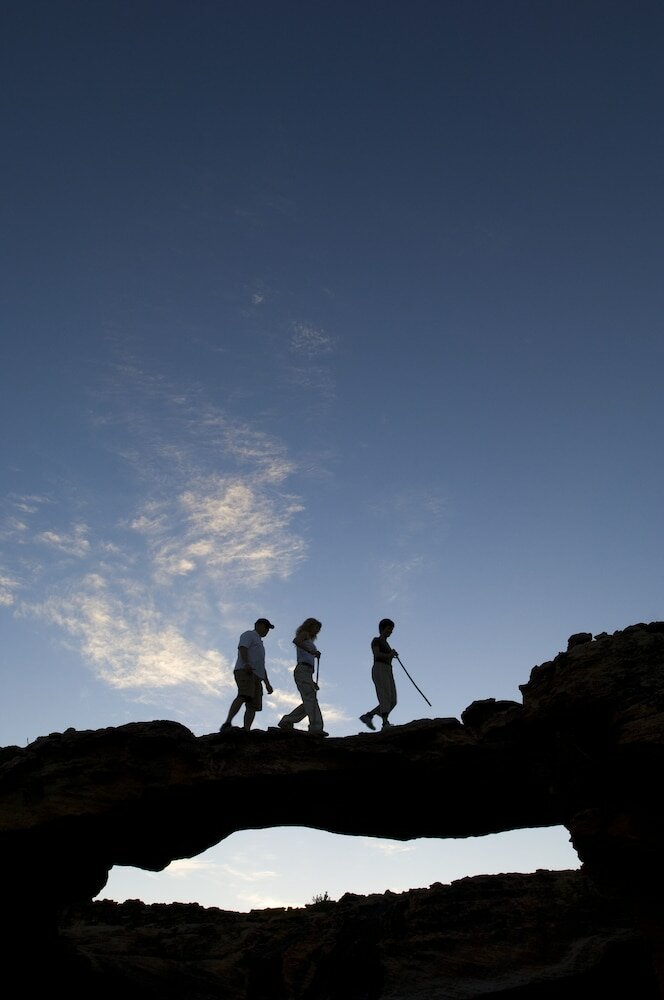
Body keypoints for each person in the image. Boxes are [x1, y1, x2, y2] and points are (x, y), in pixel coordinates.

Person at [220, 618, 274, 731]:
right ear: (258, 625)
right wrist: (246, 664)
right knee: (244, 695)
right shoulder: (249, 635)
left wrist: (267, 683)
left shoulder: (260, 643)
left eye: (268, 628)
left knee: (253, 704)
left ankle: (246, 729)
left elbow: (261, 665)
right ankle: (228, 722)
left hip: (257, 676)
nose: (267, 630)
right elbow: (242, 648)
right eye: (266, 627)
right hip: (246, 671)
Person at [278, 617, 328, 736]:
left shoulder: (309, 639)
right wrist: (312, 652)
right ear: (310, 626)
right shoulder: (304, 634)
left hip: (306, 672)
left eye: (318, 629)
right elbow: (296, 641)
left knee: (309, 700)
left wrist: (312, 681)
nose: (317, 631)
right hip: (303, 670)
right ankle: (315, 727)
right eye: (316, 628)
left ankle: (287, 720)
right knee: (311, 699)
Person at [360, 618, 398, 731]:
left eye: (391, 629)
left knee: (393, 700)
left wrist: (391, 654)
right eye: (388, 628)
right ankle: (385, 723)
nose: (390, 631)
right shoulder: (376, 640)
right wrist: (390, 655)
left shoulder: (387, 643)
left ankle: (368, 716)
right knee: (384, 696)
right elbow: (376, 654)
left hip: (388, 669)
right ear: (382, 629)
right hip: (379, 668)